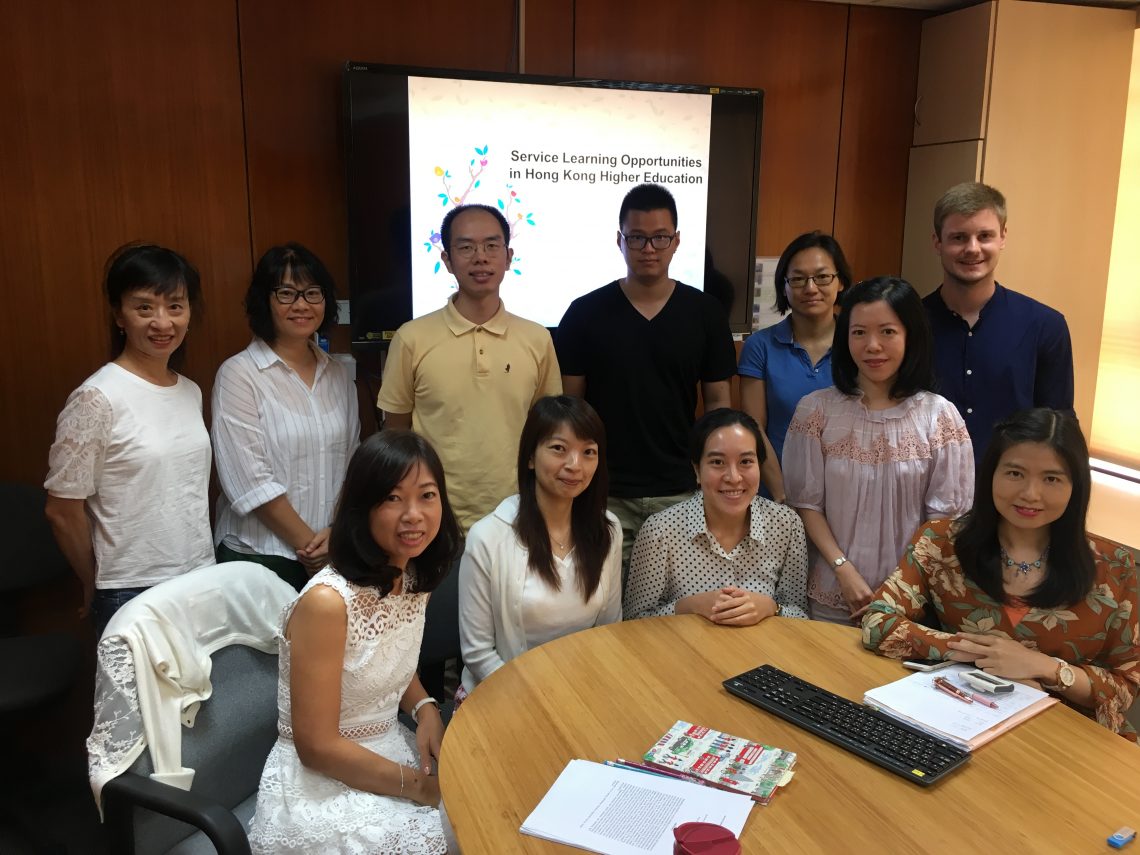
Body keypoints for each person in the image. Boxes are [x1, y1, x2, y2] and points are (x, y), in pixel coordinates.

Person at [862, 409, 1139, 741]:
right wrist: (974, 652)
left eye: (1051, 478)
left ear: (1076, 486)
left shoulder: (1116, 567)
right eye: (1015, 473)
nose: (1030, 494)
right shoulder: (940, 542)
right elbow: (878, 622)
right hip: (965, 722)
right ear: (990, 473)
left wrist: (1042, 667)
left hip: (1071, 741)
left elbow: (1125, 688)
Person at [248, 430, 462, 853]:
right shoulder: (328, 604)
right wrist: (419, 789)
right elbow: (318, 747)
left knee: (483, 813)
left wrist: (424, 708)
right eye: (392, 499)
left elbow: (384, 659)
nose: (413, 515)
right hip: (321, 784)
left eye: (427, 495)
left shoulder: (414, 575)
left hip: (386, 751)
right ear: (362, 508)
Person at [556, 183, 737, 579]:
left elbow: (719, 405)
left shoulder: (705, 314)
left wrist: (712, 475)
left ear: (676, 242)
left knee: (676, 608)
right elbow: (571, 410)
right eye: (637, 237)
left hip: (681, 489)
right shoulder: (584, 313)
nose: (648, 248)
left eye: (659, 238)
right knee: (604, 608)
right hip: (604, 491)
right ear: (619, 241)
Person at [783, 276, 975, 624]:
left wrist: (900, 587)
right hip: (833, 591)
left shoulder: (939, 416)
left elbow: (945, 522)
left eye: (887, 331)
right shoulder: (816, 411)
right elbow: (805, 504)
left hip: (912, 599)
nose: (872, 345)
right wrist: (844, 570)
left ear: (910, 336)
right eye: (859, 332)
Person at [44, 244, 213, 633]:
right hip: (130, 588)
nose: (162, 322)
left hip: (199, 575)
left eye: (175, 306)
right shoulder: (97, 398)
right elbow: (61, 510)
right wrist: (94, 581)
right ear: (119, 315)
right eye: (144, 308)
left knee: (205, 693)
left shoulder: (189, 390)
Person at [377, 203, 562, 533]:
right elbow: (397, 435)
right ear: (447, 260)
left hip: (517, 518)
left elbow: (548, 433)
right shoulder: (412, 338)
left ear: (508, 256)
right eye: (466, 247)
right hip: (434, 523)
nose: (481, 257)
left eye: (492, 245)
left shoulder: (537, 339)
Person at [212, 243, 360, 590]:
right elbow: (249, 481)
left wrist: (334, 536)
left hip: (330, 552)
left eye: (312, 293)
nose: (301, 305)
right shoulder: (239, 374)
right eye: (286, 293)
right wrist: (313, 549)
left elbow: (352, 462)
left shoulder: (338, 374)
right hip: (259, 558)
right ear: (265, 300)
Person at [457, 396, 622, 701]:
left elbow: (609, 629)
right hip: (505, 692)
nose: (575, 465)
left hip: (581, 690)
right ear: (530, 457)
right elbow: (478, 654)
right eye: (559, 449)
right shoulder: (488, 538)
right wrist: (541, 698)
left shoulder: (607, 530)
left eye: (589, 452)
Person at [923, 182, 1075, 464]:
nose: (972, 248)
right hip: (922, 494)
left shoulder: (1045, 326)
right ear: (937, 242)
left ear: (1003, 238)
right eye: (958, 237)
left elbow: (1059, 429)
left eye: (985, 236)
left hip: (1009, 496)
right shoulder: (910, 325)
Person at [625, 408, 809, 623]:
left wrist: (771, 607)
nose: (733, 477)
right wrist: (689, 606)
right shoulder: (660, 530)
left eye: (746, 462)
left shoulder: (786, 524)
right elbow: (633, 621)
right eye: (717, 462)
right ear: (696, 470)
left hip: (762, 654)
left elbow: (800, 617)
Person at [738, 231, 852, 501]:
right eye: (798, 279)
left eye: (822, 277)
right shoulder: (760, 346)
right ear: (784, 287)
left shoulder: (858, 345)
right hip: (777, 495)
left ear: (841, 282)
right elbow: (754, 428)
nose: (810, 288)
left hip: (846, 494)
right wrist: (781, 494)